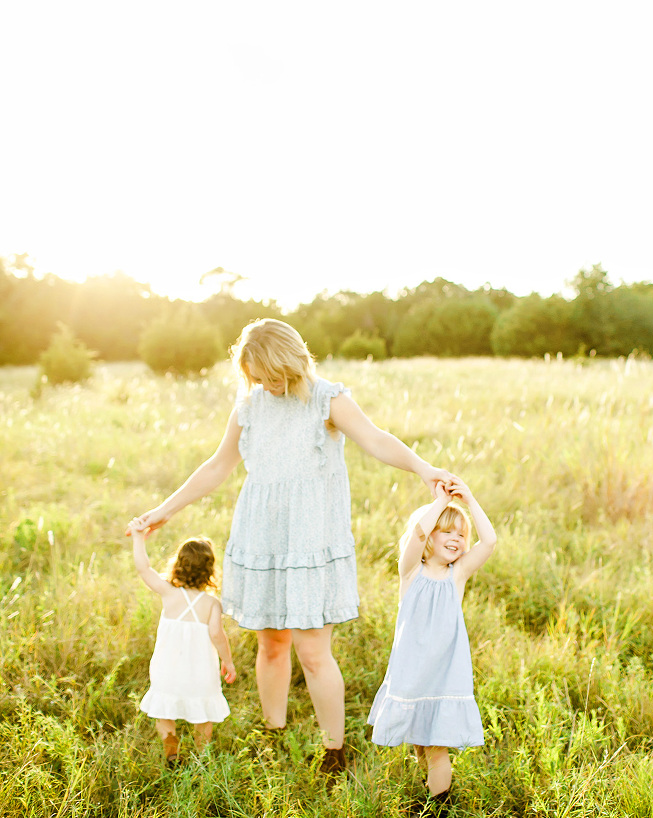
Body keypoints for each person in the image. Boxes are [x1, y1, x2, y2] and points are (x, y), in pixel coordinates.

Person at [130, 318, 455, 774]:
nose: (267, 384)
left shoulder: (328, 399)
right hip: (261, 538)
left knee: (314, 653)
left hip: (310, 542)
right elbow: (216, 467)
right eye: (257, 377)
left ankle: (334, 750)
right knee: (272, 645)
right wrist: (165, 509)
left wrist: (425, 469)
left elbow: (376, 440)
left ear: (294, 359)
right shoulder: (249, 407)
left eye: (272, 374)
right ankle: (273, 732)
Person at [367, 477, 496, 812]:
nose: (456, 539)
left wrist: (469, 500)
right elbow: (416, 536)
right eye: (447, 531)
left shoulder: (458, 574)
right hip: (412, 675)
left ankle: (436, 816)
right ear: (431, 538)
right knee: (420, 746)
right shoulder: (411, 571)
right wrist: (440, 502)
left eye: (461, 534)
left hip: (443, 676)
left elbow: (490, 541)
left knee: (436, 750)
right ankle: (429, 795)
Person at [127, 520, 236, 767]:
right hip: (200, 673)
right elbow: (218, 635)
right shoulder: (211, 604)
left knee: (165, 710)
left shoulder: (169, 593)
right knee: (203, 715)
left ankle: (171, 749)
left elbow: (144, 569)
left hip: (168, 670)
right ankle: (200, 757)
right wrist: (227, 661)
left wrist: (137, 537)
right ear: (210, 571)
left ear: (178, 564)